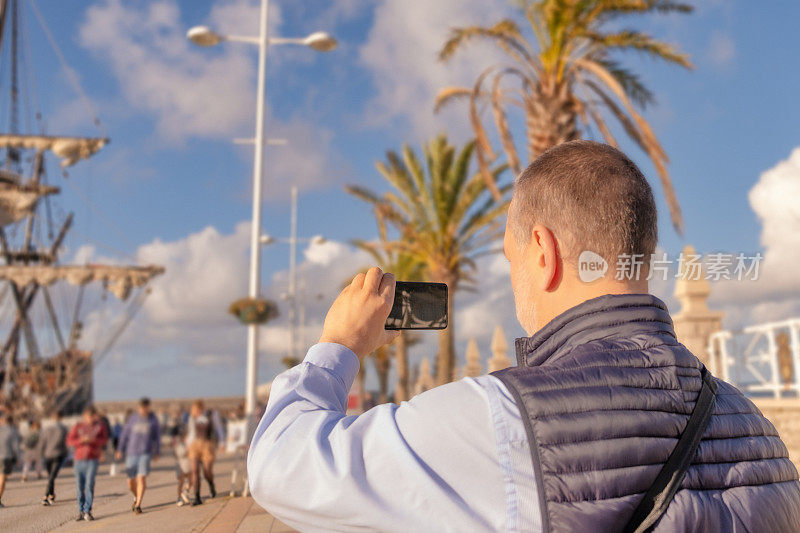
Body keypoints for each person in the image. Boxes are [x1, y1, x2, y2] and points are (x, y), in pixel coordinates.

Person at [247, 141, 800, 532]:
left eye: (514, 260)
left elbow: (281, 466)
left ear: (544, 252)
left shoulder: (503, 420)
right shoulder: (754, 425)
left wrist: (338, 348)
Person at [117, 397, 160, 514]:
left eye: (145, 408)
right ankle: (136, 496)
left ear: (148, 408)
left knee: (141, 478)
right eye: (141, 408)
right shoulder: (133, 418)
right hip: (132, 452)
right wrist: (120, 449)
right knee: (130, 481)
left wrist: (156, 451)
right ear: (139, 408)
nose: (143, 410)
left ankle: (138, 505)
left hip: (145, 453)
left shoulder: (152, 419)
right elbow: (125, 434)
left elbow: (157, 436)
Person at [66, 405, 108, 521]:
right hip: (78, 460)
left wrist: (94, 440)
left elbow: (104, 440)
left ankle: (87, 510)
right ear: (84, 416)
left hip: (92, 460)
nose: (90, 419)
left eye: (92, 417)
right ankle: (80, 510)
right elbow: (70, 440)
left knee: (89, 485)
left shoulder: (100, 427)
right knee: (79, 487)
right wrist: (81, 440)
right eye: (88, 417)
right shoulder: (78, 426)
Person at [186, 400, 225, 506]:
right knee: (195, 471)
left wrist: (222, 442)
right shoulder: (192, 418)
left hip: (207, 445)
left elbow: (218, 428)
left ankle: (211, 484)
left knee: (207, 471)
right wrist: (188, 446)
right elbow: (190, 432)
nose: (193, 412)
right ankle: (197, 497)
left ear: (200, 409)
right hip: (195, 445)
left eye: (195, 410)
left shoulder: (211, 415)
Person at [38, 410, 68, 506]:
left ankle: (48, 496)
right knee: (51, 477)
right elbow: (66, 443)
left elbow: (42, 442)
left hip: (48, 455)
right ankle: (48, 495)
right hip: (58, 454)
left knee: (51, 477)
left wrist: (40, 453)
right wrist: (66, 453)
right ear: (61, 418)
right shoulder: (63, 429)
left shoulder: (47, 428)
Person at [169, 417, 191, 506]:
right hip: (181, 463)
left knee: (191, 479)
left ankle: (185, 492)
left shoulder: (188, 441)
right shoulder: (177, 441)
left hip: (187, 462)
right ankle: (179, 497)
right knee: (182, 480)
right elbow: (177, 453)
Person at [0, 413, 20, 508]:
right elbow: (15, 446)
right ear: (11, 422)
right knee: (2, 478)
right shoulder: (13, 431)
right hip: (6, 457)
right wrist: (18, 458)